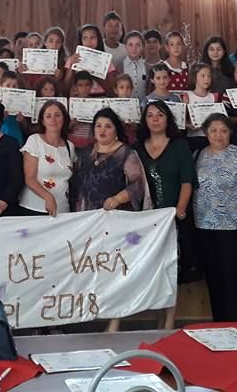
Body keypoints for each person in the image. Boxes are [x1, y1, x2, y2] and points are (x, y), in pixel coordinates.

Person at [70, 107, 151, 332]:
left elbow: (138, 184)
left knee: (113, 269)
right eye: (98, 126)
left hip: (115, 221)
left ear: (116, 130)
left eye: (108, 126)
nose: (102, 130)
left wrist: (118, 198)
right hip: (87, 220)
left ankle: (115, 321)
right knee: (89, 268)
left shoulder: (126, 153)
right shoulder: (84, 153)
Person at [193, 114, 237, 322]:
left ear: (230, 132)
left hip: (232, 227)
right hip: (203, 226)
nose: (218, 135)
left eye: (223, 130)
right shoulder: (198, 155)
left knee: (232, 279)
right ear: (206, 133)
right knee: (213, 278)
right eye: (213, 130)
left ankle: (236, 325)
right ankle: (219, 325)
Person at [135, 101, 196, 329]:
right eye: (150, 115)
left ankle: (169, 323)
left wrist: (180, 209)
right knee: (154, 270)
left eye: (160, 115)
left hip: (173, 219)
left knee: (172, 270)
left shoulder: (179, 145)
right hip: (147, 221)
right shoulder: (137, 147)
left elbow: (187, 180)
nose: (155, 119)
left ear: (167, 118)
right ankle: (157, 320)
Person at [18, 100, 75, 216]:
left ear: (64, 119)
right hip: (35, 208)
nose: (53, 119)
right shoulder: (34, 140)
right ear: (43, 121)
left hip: (62, 209)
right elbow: (29, 178)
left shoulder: (70, 146)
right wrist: (48, 197)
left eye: (57, 115)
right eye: (48, 116)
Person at [118, 30, 148, 99]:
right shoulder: (119, 65)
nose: (134, 48)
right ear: (125, 46)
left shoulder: (147, 66)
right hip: (124, 103)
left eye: (138, 45)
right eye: (130, 45)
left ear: (142, 47)